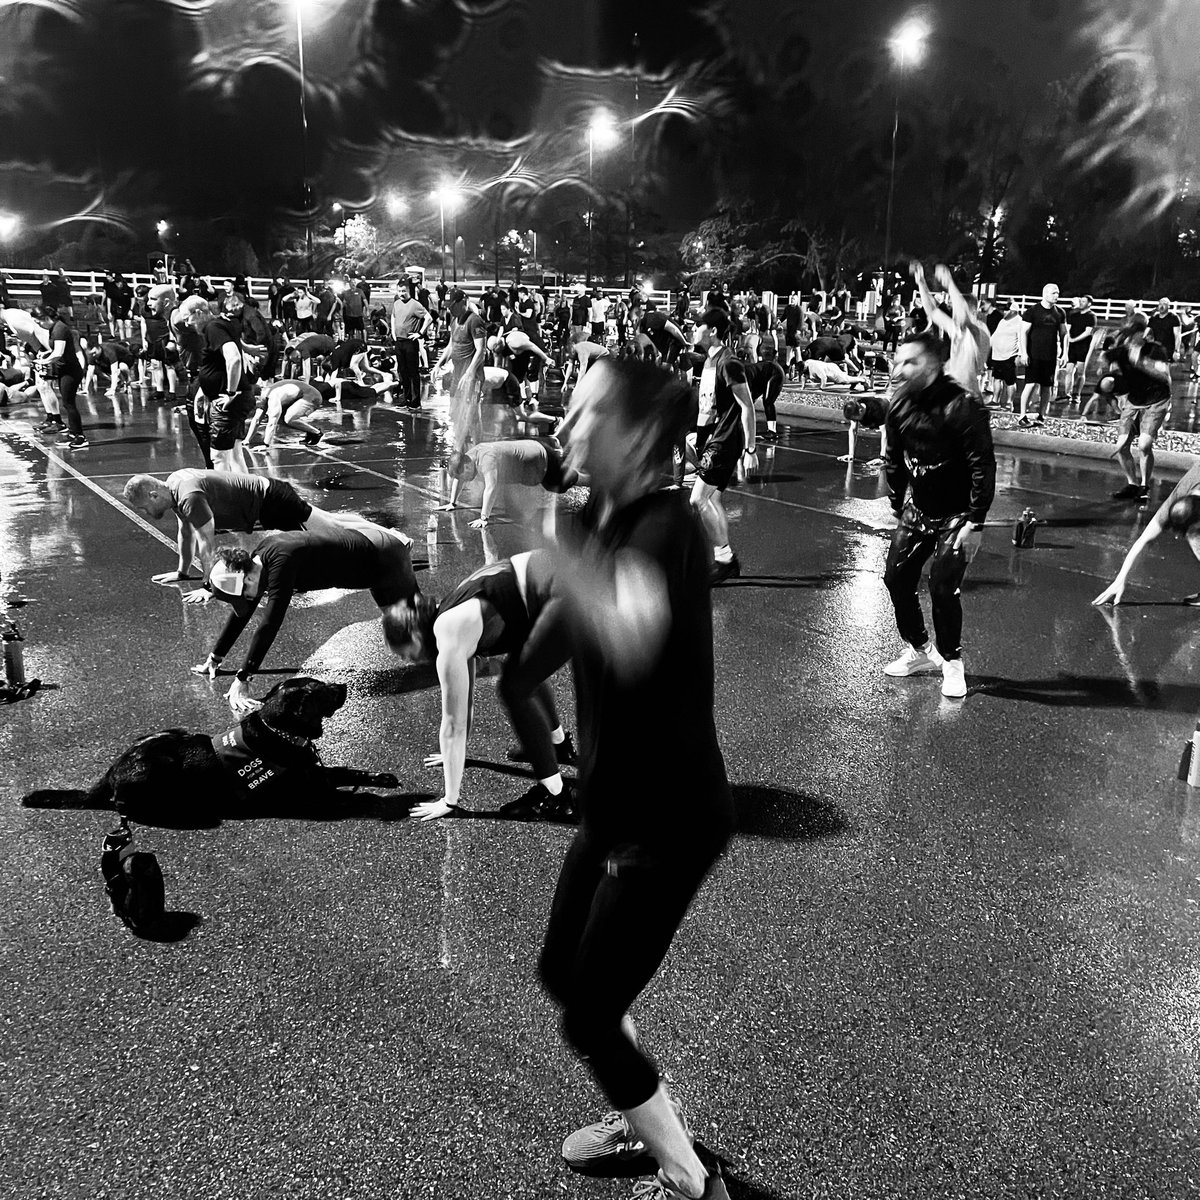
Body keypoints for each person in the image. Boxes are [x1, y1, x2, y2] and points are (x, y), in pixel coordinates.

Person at [533, 357, 734, 1200]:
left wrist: (530, 523)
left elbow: (628, 631)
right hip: (613, 807)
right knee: (562, 974)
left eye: (587, 416)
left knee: (588, 1011)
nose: (569, 428)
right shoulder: (607, 516)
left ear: (644, 436)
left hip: (669, 818)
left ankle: (691, 1182)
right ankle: (638, 1097)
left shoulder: (668, 526)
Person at [384, 551, 578, 823]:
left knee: (514, 687)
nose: (407, 659)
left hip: (569, 593)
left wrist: (449, 800)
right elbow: (465, 701)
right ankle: (557, 744)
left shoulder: (449, 632)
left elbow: (453, 724)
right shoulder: (454, 614)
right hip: (562, 575)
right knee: (526, 669)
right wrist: (455, 754)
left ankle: (557, 797)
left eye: (405, 652)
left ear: (415, 634)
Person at [192, 516, 419, 714]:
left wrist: (244, 677)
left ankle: (449, 643)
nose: (248, 601)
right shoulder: (258, 561)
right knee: (407, 628)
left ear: (247, 579)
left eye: (244, 596)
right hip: (367, 553)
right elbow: (242, 613)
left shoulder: (282, 562)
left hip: (383, 556)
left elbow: (270, 622)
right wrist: (215, 657)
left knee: (417, 626)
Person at [882, 330, 996, 700]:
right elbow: (894, 457)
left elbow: (983, 466)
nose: (899, 368)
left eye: (909, 361)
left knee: (942, 588)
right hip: (919, 509)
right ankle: (919, 650)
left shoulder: (963, 406)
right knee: (896, 578)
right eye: (899, 360)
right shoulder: (899, 402)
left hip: (958, 515)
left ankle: (952, 661)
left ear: (932, 365)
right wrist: (898, 503)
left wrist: (975, 522)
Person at [123, 468, 354, 590]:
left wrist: (207, 584)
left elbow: (206, 542)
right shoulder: (173, 486)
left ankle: (375, 542)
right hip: (266, 502)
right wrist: (182, 573)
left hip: (273, 501)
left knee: (329, 533)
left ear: (154, 495)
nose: (147, 514)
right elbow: (185, 532)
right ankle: (370, 534)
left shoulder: (189, 497)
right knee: (329, 524)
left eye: (144, 508)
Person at [688, 307, 758, 583]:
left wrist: (751, 449)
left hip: (726, 440)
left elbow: (747, 406)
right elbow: (709, 407)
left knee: (698, 499)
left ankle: (725, 558)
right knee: (713, 498)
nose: (694, 330)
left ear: (713, 330)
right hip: (712, 438)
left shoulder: (729, 362)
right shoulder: (708, 361)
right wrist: (696, 435)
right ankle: (724, 558)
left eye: (698, 326)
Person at [1093, 458, 1200, 606]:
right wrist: (1121, 579)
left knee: (1197, 541)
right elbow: (1145, 540)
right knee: (1195, 539)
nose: (1176, 537)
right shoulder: (1178, 497)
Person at [177, 295, 255, 473]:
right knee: (235, 454)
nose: (187, 324)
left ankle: (224, 496)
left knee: (219, 457)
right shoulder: (220, 323)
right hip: (237, 398)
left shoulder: (213, 328)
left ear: (198, 313)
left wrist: (230, 393)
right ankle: (244, 493)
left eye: (187, 318)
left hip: (229, 401)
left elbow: (233, 358)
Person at [1105, 312, 1173, 504]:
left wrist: (1141, 363)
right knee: (1121, 447)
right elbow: (1110, 373)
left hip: (1156, 400)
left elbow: (1165, 376)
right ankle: (1132, 484)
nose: (1135, 336)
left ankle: (1144, 486)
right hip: (1134, 401)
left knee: (1144, 445)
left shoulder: (1155, 350)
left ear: (1144, 332)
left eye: (1137, 332)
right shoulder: (1121, 351)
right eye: (1130, 332)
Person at [439, 436, 577, 527]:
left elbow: (491, 488)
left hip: (541, 457)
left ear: (467, 465)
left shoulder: (486, 459)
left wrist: (483, 518)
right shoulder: (468, 458)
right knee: (555, 482)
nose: (463, 480)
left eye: (462, 475)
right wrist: (452, 503)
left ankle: (589, 480)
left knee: (559, 485)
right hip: (532, 456)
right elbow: (459, 478)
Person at [910, 261, 990, 398]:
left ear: (973, 310)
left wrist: (950, 284)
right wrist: (921, 283)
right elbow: (932, 312)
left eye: (955, 307)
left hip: (967, 394)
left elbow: (962, 316)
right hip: (952, 389)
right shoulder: (959, 329)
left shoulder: (979, 329)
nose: (953, 313)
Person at [1016, 283, 1066, 426]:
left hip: (1050, 356)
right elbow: (1023, 333)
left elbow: (1064, 334)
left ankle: (1042, 416)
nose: (1056, 296)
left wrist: (1065, 353)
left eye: (1057, 293)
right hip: (1034, 354)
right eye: (1053, 293)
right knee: (1030, 385)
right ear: (1045, 294)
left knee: (1047, 386)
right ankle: (1022, 415)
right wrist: (1024, 353)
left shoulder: (1060, 312)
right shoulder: (1032, 311)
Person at [246, 379, 328, 450]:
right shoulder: (262, 397)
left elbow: (272, 423)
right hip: (299, 395)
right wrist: (246, 440)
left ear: (256, 398)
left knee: (289, 419)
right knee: (281, 420)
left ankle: (317, 433)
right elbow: (256, 420)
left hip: (312, 396)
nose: (252, 407)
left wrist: (265, 445)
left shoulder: (273, 396)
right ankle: (310, 431)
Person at [391, 279, 433, 408]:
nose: (401, 293)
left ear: (409, 291)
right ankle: (407, 398)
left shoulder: (415, 304)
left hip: (410, 342)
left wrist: (420, 333)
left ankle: (416, 401)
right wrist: (393, 333)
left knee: (413, 372)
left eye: (404, 291)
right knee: (402, 371)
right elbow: (393, 317)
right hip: (399, 341)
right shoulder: (397, 303)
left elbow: (428, 318)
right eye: (399, 291)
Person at [1061, 296, 1097, 403]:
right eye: (1080, 301)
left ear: (1089, 304)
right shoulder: (1074, 315)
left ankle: (1077, 394)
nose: (1081, 303)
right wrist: (1067, 342)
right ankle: (1068, 394)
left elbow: (1088, 332)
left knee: (1081, 372)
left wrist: (1074, 340)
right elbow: (1068, 329)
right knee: (1069, 370)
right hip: (1072, 347)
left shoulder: (1091, 316)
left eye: (1083, 301)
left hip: (1083, 347)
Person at [987, 305, 1022, 412]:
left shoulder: (1019, 322)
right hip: (997, 355)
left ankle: (1009, 403)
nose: (1006, 312)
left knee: (1010, 381)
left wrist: (1020, 354)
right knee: (997, 379)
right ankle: (995, 400)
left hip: (1009, 355)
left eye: (1008, 310)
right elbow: (995, 335)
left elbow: (1021, 338)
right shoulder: (1002, 321)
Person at [1148, 297, 1182, 362]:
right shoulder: (1154, 318)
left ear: (1168, 306)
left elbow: (1177, 336)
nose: (1162, 306)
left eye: (1164, 304)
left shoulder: (1174, 318)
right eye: (1160, 304)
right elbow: (1147, 334)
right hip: (1156, 349)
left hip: (1168, 350)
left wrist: (1176, 351)